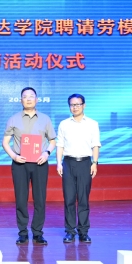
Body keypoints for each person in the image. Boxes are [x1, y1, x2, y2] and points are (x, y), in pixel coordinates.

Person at [2, 87, 56, 245]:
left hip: (40, 163)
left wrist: (46, 153)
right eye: (25, 96)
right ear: (21, 100)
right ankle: (23, 232)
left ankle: (38, 233)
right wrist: (14, 156)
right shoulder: (13, 119)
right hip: (20, 163)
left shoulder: (45, 119)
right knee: (21, 199)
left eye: (32, 96)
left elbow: (52, 141)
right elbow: (5, 142)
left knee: (40, 199)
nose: (28, 99)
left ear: (37, 100)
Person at [56, 94, 101, 244]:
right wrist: (59, 163)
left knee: (83, 199)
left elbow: (95, 145)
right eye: (72, 105)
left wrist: (95, 163)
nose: (75, 107)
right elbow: (60, 145)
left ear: (84, 105)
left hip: (85, 163)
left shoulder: (92, 124)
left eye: (78, 104)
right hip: (68, 163)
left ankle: (83, 232)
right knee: (69, 199)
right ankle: (70, 231)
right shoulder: (64, 124)